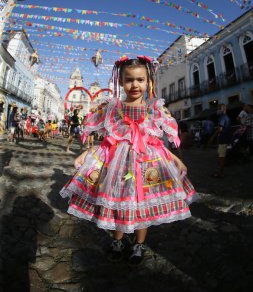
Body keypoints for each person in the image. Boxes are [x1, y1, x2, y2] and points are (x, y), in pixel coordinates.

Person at [60, 56, 197, 266]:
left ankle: (139, 244)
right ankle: (118, 240)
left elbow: (158, 142)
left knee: (142, 206)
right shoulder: (113, 107)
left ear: (149, 81)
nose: (135, 84)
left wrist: (175, 159)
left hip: (147, 164)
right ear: (121, 81)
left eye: (140, 80)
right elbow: (105, 138)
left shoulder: (155, 108)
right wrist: (86, 153)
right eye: (129, 79)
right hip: (118, 164)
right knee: (118, 203)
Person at [211, 104, 231, 178]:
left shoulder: (223, 117)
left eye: (219, 108)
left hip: (223, 139)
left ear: (223, 109)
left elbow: (220, 129)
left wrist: (212, 137)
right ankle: (220, 171)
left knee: (221, 157)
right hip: (226, 138)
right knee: (222, 156)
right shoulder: (227, 117)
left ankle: (221, 173)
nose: (218, 110)